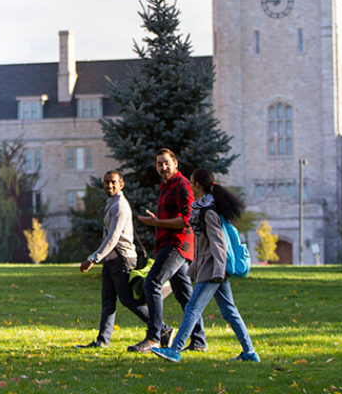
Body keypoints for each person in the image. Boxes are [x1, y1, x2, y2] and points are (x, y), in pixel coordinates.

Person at [151, 169, 260, 363]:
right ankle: (250, 352)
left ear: (198, 185)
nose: (191, 185)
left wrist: (218, 271)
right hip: (213, 268)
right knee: (229, 311)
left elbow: (219, 244)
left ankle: (175, 350)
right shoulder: (204, 208)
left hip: (214, 269)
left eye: (193, 182)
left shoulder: (208, 211)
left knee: (192, 308)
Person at [128, 148, 206, 353]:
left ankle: (154, 336)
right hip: (168, 243)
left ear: (175, 163)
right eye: (159, 164)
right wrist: (157, 222)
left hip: (177, 244)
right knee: (184, 295)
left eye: (166, 163)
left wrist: (158, 221)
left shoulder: (182, 186)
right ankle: (199, 340)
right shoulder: (166, 187)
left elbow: (189, 219)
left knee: (152, 283)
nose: (163, 167)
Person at [76, 170, 153, 349]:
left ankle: (161, 328)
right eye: (106, 182)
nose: (109, 185)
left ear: (121, 184)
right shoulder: (112, 203)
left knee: (127, 300)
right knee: (108, 301)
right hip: (111, 261)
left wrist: (93, 259)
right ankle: (102, 341)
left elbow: (113, 238)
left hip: (122, 260)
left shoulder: (120, 205)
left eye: (113, 182)